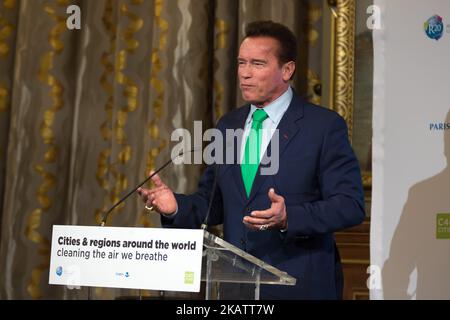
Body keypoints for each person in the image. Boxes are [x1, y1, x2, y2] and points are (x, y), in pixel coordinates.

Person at [137, 20, 365, 299]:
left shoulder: (323, 126)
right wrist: (175, 207)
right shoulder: (228, 125)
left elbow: (350, 205)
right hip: (235, 289)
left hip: (298, 286)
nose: (245, 73)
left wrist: (289, 216)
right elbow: (213, 204)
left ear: (287, 70)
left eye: (257, 64)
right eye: (241, 62)